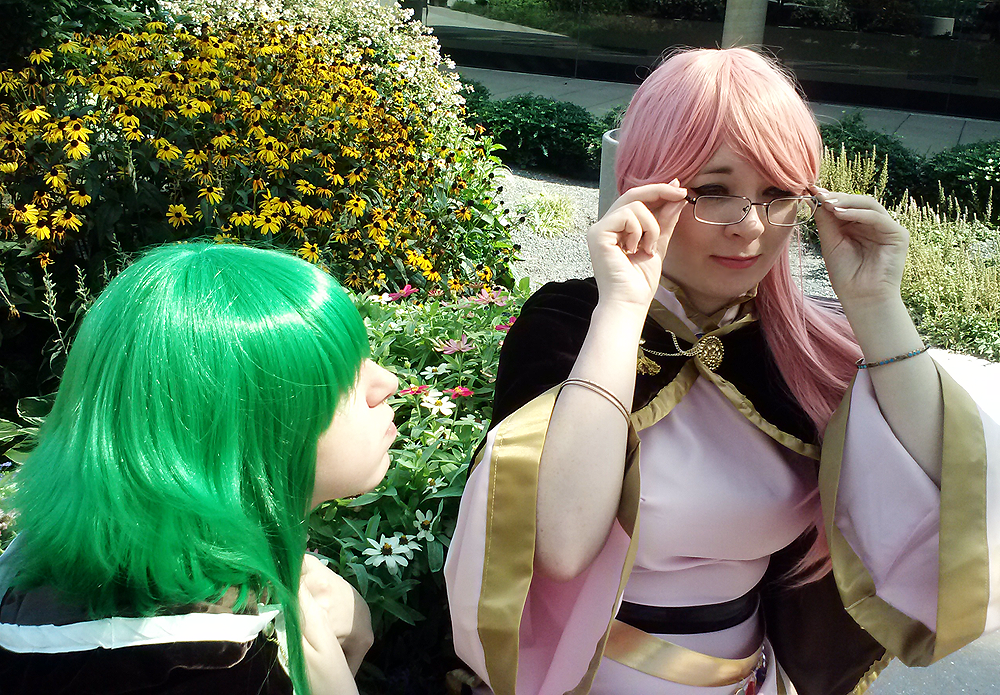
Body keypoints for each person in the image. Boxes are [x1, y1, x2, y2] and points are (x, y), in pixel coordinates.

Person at [445, 48, 1000, 695]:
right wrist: (623, 306)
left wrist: (877, 306)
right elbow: (561, 546)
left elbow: (955, 505)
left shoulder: (803, 348)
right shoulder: (570, 326)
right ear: (647, 187)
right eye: (714, 191)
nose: (752, 226)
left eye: (777, 194)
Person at [0, 242, 399, 695]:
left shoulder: (40, 582)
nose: (387, 382)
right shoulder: (205, 671)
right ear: (234, 430)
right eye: (342, 378)